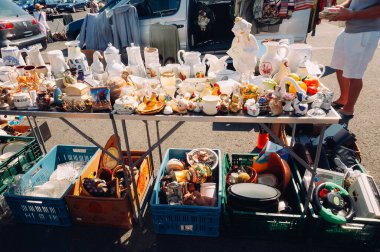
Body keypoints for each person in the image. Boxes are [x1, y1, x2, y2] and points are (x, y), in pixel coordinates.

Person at [329, 0, 380, 121]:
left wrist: (352, 14)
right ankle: (343, 98)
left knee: (354, 74)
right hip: (350, 28)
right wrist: (340, 8)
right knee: (339, 65)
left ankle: (349, 108)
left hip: (366, 31)